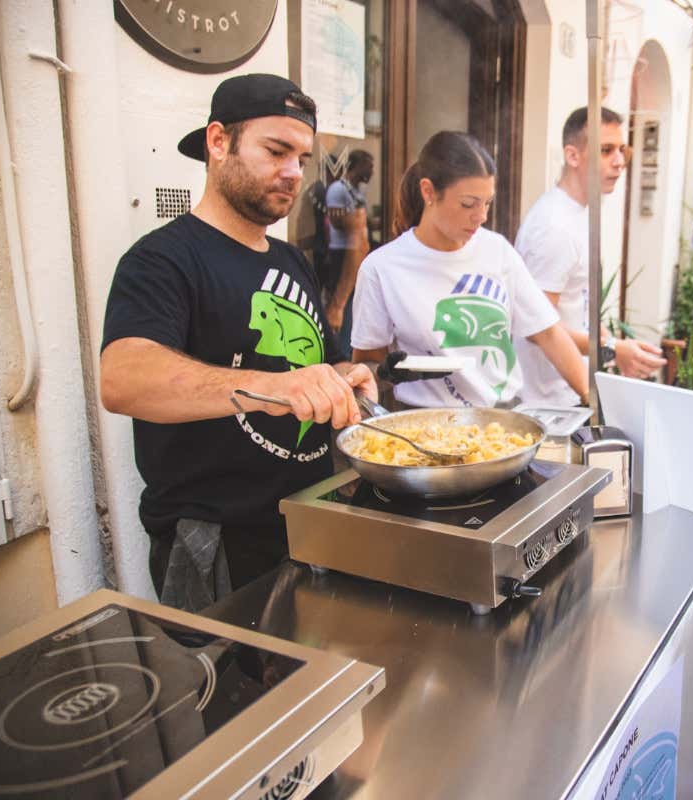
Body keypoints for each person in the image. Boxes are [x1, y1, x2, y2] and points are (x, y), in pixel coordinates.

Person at [100, 74, 376, 610]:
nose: (294, 172)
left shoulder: (290, 259)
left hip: (313, 524)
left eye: (302, 157)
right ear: (218, 141)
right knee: (233, 694)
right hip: (220, 547)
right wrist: (274, 387)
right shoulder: (162, 259)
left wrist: (344, 379)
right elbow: (123, 377)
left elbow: (318, 359)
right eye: (276, 151)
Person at [351, 131, 587, 408]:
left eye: (487, 203)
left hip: (501, 421)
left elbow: (549, 333)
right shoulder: (382, 268)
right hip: (423, 424)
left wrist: (592, 402)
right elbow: (366, 364)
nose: (482, 216)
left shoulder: (497, 251)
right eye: (468, 204)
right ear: (428, 191)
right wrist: (387, 372)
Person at [513, 107, 665, 407]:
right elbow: (535, 326)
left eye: (623, 150)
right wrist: (611, 348)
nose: (620, 161)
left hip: (566, 389)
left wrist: (608, 342)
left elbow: (575, 301)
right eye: (606, 150)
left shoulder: (577, 213)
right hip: (546, 400)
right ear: (573, 156)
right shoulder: (554, 227)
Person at [323, 148, 374, 355]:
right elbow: (336, 220)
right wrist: (356, 222)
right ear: (357, 165)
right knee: (340, 309)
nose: (371, 171)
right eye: (368, 166)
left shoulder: (356, 192)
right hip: (342, 254)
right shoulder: (338, 189)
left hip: (358, 253)